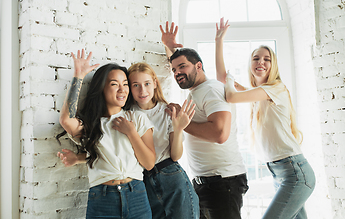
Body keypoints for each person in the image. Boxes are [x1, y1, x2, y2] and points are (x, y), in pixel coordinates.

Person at [215, 18, 316, 219]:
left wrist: (231, 80)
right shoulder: (256, 93)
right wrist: (219, 41)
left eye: (266, 59)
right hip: (281, 173)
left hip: (295, 172)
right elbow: (222, 80)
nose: (261, 62)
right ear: (250, 63)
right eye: (256, 58)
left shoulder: (276, 89)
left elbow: (231, 95)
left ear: (273, 65)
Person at [160, 21, 248, 219]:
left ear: (199, 66)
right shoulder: (197, 91)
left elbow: (220, 133)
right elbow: (181, 64)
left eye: (182, 67)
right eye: (173, 70)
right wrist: (170, 47)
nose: (177, 73)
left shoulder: (212, 89)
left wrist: (181, 122)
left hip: (222, 182)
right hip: (208, 182)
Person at [57, 49, 156, 219]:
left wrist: (131, 133)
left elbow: (148, 163)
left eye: (125, 84)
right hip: (102, 199)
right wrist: (78, 76)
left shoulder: (137, 118)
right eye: (114, 84)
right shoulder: (90, 124)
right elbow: (66, 120)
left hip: (136, 196)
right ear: (101, 88)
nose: (122, 89)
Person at [127, 62, 200, 219]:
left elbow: (175, 156)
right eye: (136, 85)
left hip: (171, 177)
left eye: (147, 83)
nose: (142, 90)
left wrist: (178, 129)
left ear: (154, 83)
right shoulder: (127, 115)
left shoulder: (167, 111)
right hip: (143, 181)